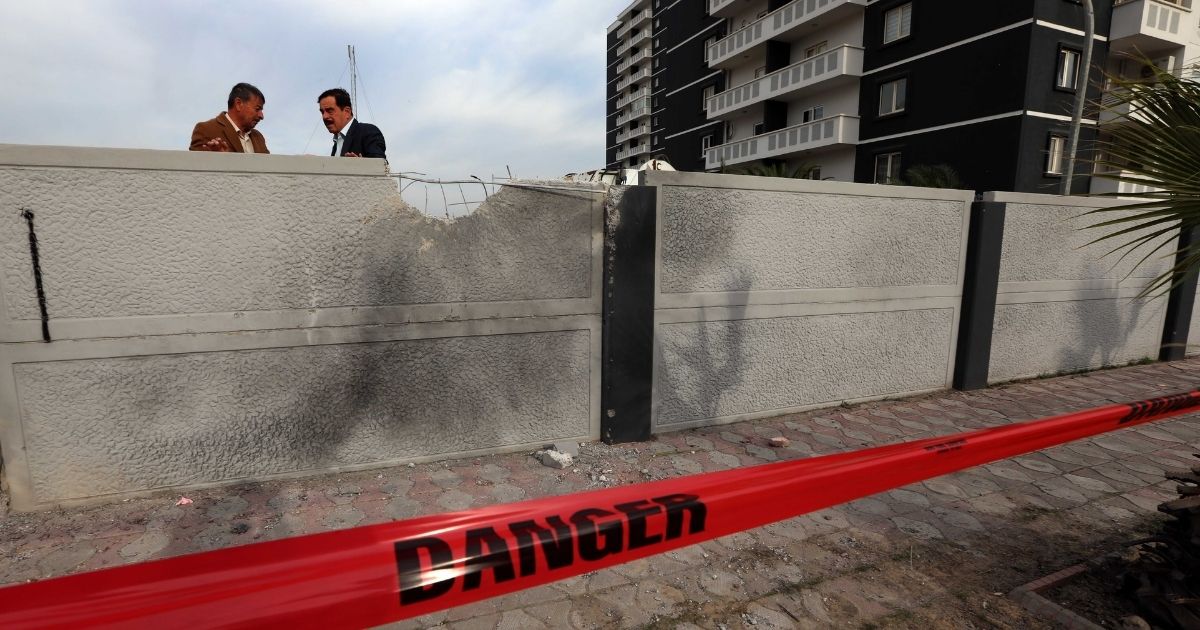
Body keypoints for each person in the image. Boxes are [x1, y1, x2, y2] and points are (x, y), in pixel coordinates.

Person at [189, 83, 269, 153]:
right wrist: (220, 161)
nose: (261, 116)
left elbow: (269, 168)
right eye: (257, 109)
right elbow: (194, 166)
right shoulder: (205, 130)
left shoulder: (259, 137)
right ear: (238, 104)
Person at [318, 88, 386, 159]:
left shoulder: (368, 132)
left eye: (330, 110)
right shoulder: (337, 143)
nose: (324, 116)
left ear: (347, 112)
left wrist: (359, 165)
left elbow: (381, 165)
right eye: (322, 112)